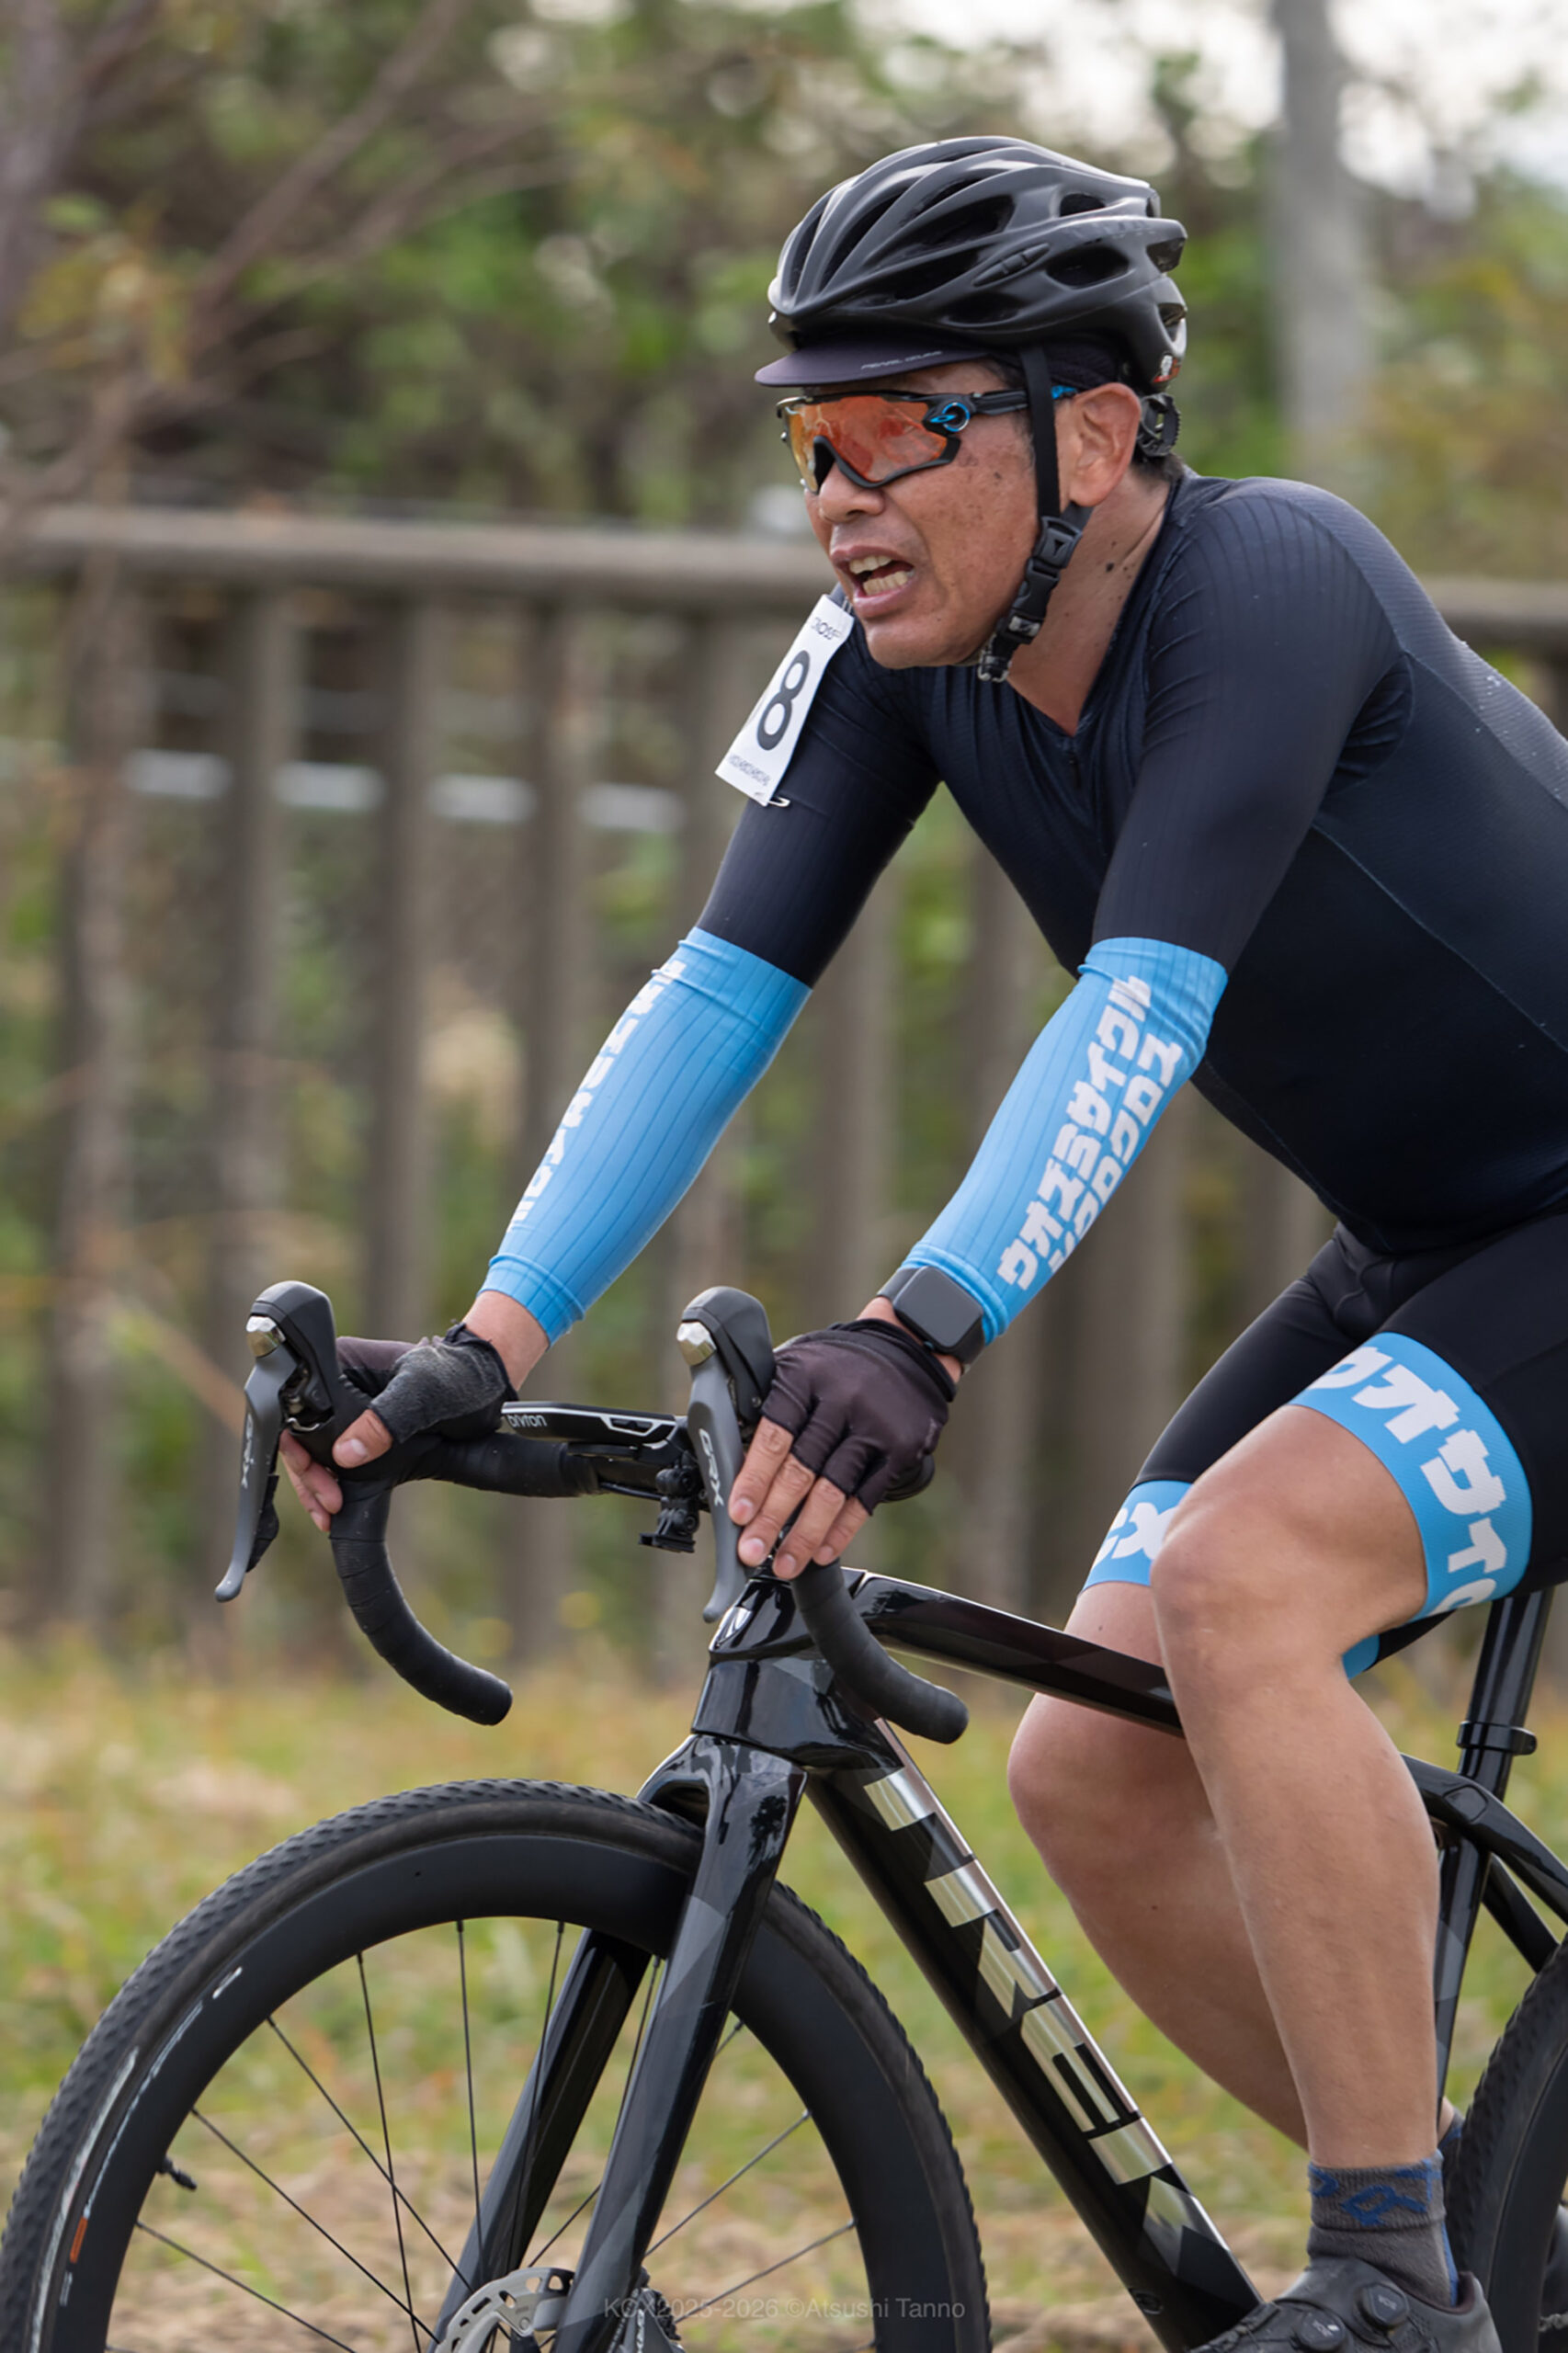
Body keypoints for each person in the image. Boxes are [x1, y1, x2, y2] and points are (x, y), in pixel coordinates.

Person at [282, 135, 1568, 2353]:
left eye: (899, 433)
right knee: (1092, 1760)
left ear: (1094, 433)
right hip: (1431, 1235)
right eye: (814, 440)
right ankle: (1495, 2234)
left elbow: (1138, 1008)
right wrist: (489, 1339)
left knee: (1245, 1585)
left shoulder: (1274, 585)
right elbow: (714, 990)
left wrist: (920, 1322)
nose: (841, 497)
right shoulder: (892, 647)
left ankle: (1390, 2287)